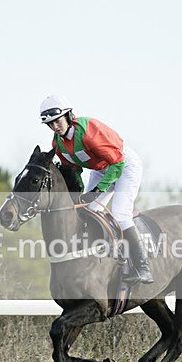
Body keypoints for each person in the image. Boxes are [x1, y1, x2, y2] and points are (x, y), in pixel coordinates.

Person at [39, 94, 154, 284]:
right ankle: (105, 251)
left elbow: (117, 164)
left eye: (57, 121)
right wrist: (79, 195)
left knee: (121, 214)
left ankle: (144, 268)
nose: (55, 127)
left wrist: (98, 191)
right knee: (87, 209)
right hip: (101, 169)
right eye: (50, 124)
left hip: (124, 165)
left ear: (68, 116)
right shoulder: (58, 144)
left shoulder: (88, 130)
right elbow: (74, 171)